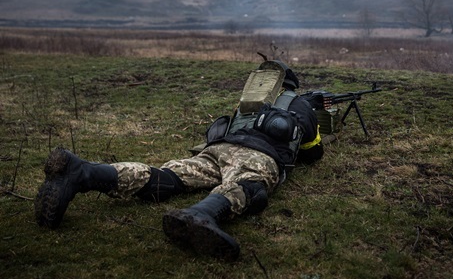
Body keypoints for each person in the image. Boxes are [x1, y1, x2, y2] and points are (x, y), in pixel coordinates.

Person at [34, 60, 323, 261]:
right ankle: (202, 214)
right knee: (248, 187)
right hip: (258, 157)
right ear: (292, 85)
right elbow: (312, 152)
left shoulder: (249, 102)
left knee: (168, 178)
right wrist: (313, 111)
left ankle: (82, 171)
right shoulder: (300, 104)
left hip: (216, 150)